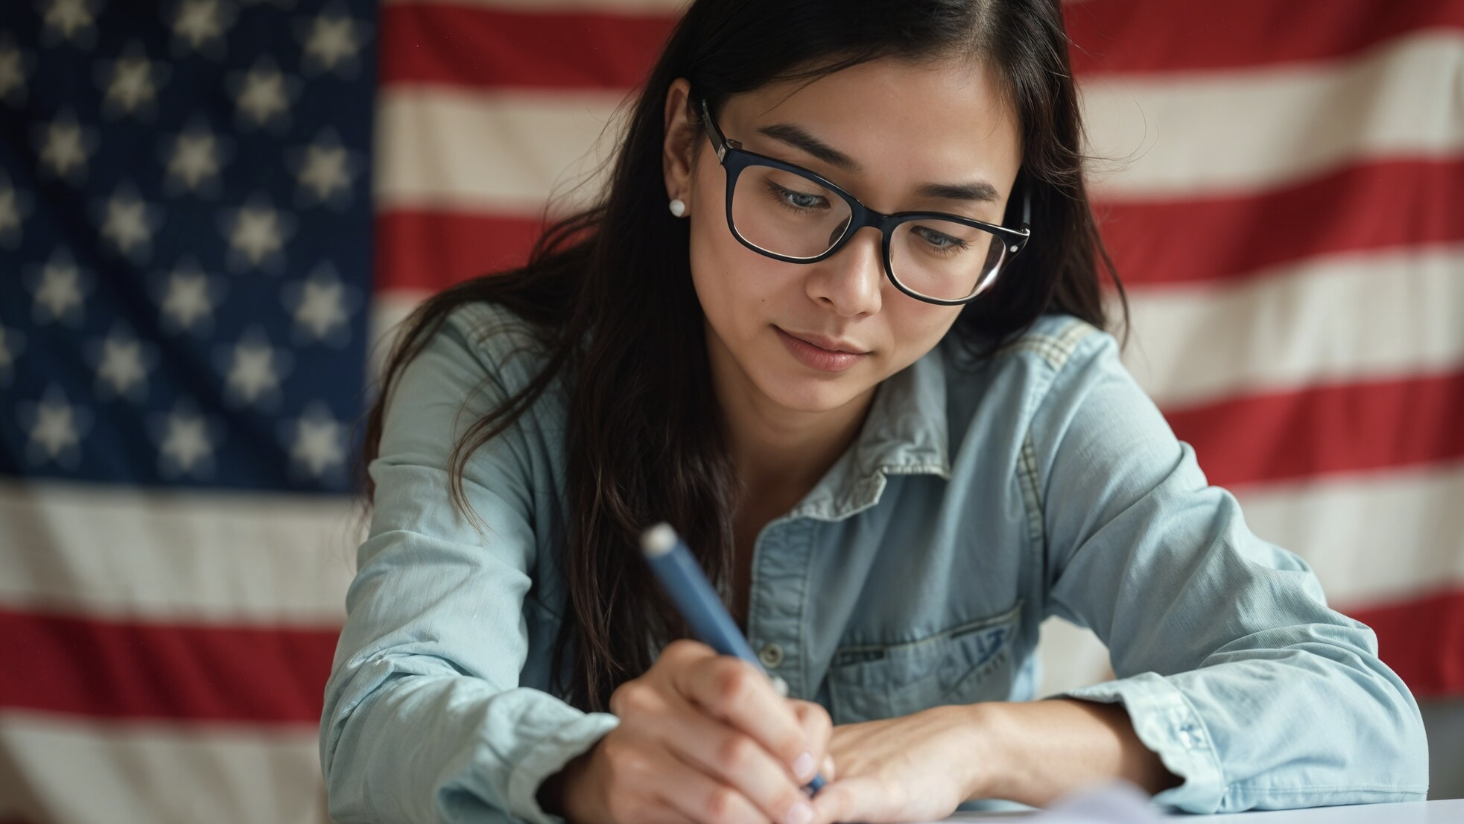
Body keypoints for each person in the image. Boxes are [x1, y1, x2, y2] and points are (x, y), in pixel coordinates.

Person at [318, 1, 1430, 822]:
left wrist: (972, 743)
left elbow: (1355, 716)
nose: (852, 293)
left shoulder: (1041, 405)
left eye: (941, 234)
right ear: (683, 148)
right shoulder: (496, 374)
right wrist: (598, 770)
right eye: (800, 195)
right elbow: (380, 724)